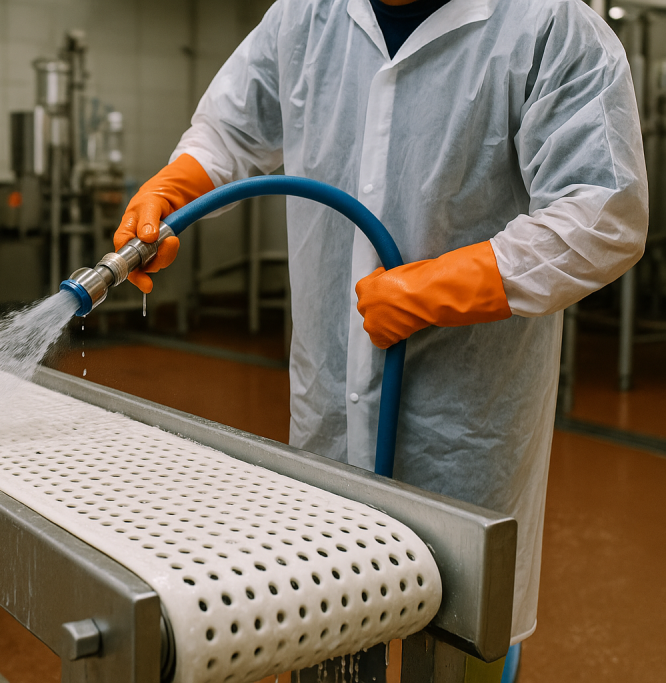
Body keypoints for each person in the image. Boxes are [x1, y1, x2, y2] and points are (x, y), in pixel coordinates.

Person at [113, 0, 648, 676]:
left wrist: (448, 285)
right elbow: (229, 124)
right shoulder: (304, 16)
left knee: (463, 635)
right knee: (321, 621)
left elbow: (605, 209)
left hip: (468, 423)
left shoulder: (548, 24)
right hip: (329, 404)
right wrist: (178, 182)